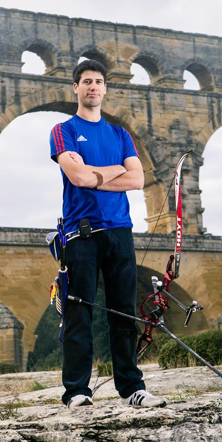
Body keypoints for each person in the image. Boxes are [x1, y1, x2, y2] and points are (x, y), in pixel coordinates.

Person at [50, 59, 166, 409]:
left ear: (105, 88)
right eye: (86, 81)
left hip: (120, 232)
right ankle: (77, 392)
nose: (93, 87)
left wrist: (96, 173)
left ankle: (132, 388)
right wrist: (115, 170)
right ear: (76, 88)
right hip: (80, 234)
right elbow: (78, 178)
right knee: (78, 314)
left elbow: (138, 180)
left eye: (99, 81)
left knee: (124, 313)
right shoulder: (63, 130)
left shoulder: (121, 134)